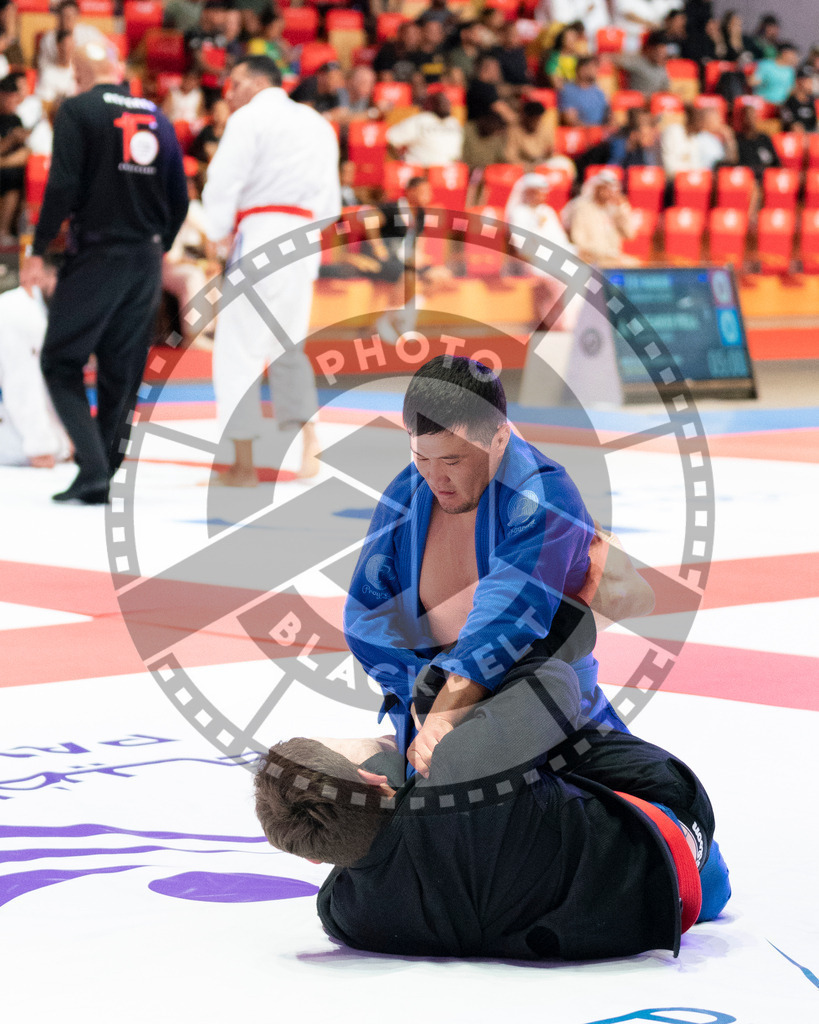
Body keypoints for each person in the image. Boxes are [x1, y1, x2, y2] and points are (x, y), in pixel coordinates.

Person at [254, 657, 730, 958]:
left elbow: (363, 848)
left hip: (622, 924)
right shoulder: (464, 769)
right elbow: (555, 678)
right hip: (671, 830)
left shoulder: (345, 914)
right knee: (466, 691)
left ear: (314, 857)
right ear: (377, 782)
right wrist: (448, 706)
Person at [342, 356, 654, 766]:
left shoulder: (542, 496)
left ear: (500, 439)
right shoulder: (407, 492)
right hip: (436, 697)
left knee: (644, 805)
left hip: (547, 708)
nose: (436, 478)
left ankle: (601, 563)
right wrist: (418, 697)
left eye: (452, 461)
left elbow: (506, 618)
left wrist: (442, 716)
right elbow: (365, 612)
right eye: (422, 457)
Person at [19, 39, 188, 505]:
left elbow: (63, 184)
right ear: (117, 67)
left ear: (78, 75)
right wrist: (159, 247)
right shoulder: (159, 116)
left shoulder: (78, 109)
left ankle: (93, 469)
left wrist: (38, 249)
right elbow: (180, 198)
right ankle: (101, 470)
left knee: (60, 360)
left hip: (99, 253)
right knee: (122, 368)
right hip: (145, 259)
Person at [202, 55, 340, 485]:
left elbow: (223, 182)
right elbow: (331, 201)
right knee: (288, 344)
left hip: (260, 233)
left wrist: (217, 230)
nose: (231, 93)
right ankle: (310, 446)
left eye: (235, 83)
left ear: (255, 81)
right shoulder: (318, 124)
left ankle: (243, 463)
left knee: (239, 347)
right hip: (303, 238)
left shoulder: (249, 119)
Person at [0, 258, 72, 467]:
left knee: (62, 448)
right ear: (42, 277)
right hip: (10, 404)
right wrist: (40, 447)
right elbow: (21, 386)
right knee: (39, 450)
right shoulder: (18, 312)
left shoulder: (34, 312)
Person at [505, 173, 577, 328]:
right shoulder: (518, 213)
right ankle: (558, 324)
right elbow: (522, 247)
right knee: (557, 280)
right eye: (538, 192)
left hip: (554, 259)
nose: (542, 196)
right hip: (530, 261)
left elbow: (561, 241)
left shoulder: (547, 212)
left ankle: (573, 322)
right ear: (528, 192)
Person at [564, 169, 639, 266]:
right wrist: (606, 254)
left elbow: (630, 234)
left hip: (613, 259)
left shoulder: (615, 208)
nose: (608, 191)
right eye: (605, 188)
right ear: (596, 188)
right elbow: (579, 241)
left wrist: (621, 210)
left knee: (636, 267)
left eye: (611, 188)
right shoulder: (582, 207)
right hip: (590, 260)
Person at [385, 91, 463, 167]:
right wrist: (401, 161)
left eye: (448, 101)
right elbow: (390, 138)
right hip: (422, 172)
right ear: (433, 103)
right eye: (442, 101)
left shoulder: (453, 122)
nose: (446, 104)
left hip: (448, 173)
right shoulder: (421, 119)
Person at [38, 0, 105, 76]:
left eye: (70, 16)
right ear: (58, 17)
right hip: (58, 78)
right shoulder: (48, 39)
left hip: (86, 77)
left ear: (77, 16)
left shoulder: (90, 34)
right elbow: (43, 66)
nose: (67, 19)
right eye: (64, 16)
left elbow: (110, 52)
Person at [0, 73, 29, 244]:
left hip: (6, 169)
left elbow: (24, 154)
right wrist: (10, 140)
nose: (12, 102)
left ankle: (5, 232)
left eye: (14, 97)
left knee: (17, 176)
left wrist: (3, 163)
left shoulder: (15, 119)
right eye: (8, 97)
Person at [616, 30, 671, 98]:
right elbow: (615, 60)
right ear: (649, 49)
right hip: (637, 103)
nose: (661, 55)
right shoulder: (637, 62)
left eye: (663, 52)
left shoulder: (662, 67)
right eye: (657, 51)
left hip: (657, 104)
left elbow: (666, 90)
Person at [558, 55, 609, 127]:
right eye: (593, 66)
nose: (596, 69)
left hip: (600, 133)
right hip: (581, 134)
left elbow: (608, 115)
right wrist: (592, 130)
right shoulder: (568, 91)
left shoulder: (599, 92)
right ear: (582, 69)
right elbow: (570, 120)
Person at [780, 66, 819, 132]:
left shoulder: (813, 101)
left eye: (810, 80)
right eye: (807, 80)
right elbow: (789, 121)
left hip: (813, 135)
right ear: (798, 82)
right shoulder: (790, 102)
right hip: (796, 137)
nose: (811, 83)